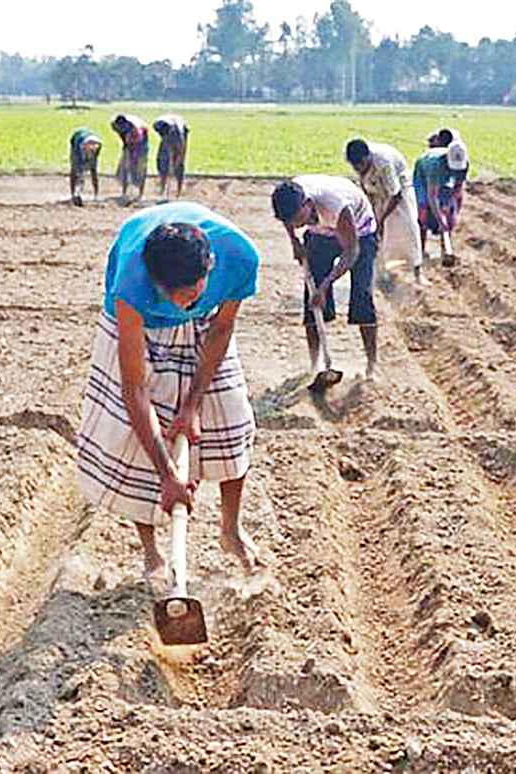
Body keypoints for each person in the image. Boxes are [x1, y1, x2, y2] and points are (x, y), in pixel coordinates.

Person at [76, 202, 262, 585]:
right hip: (142, 326)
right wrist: (168, 476)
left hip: (207, 325)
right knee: (133, 440)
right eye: (175, 296)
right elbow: (134, 387)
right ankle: (151, 552)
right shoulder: (132, 280)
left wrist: (192, 405)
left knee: (231, 417)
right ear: (155, 282)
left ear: (208, 270)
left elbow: (222, 330)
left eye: (191, 293)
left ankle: (231, 530)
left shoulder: (239, 258)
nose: (182, 303)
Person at [271, 176, 380, 382]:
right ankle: (316, 364)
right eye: (291, 221)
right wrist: (294, 241)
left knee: (362, 296)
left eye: (297, 219)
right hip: (321, 233)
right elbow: (287, 219)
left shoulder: (336, 205)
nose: (295, 224)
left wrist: (326, 285)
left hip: (360, 234)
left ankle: (371, 365)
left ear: (308, 205)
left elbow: (351, 251)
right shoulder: (289, 199)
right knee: (312, 301)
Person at [345, 138, 424, 286]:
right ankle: (382, 273)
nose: (358, 168)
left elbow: (395, 194)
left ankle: (416, 271)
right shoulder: (358, 162)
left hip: (400, 191)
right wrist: (373, 214)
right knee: (375, 234)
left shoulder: (383, 163)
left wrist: (381, 219)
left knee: (407, 229)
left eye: (361, 165)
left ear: (367, 158)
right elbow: (364, 185)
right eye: (355, 167)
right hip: (376, 191)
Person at [413, 139, 469, 267]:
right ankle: (420, 251)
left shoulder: (463, 165)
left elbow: (458, 189)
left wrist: (449, 209)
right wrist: (440, 219)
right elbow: (431, 196)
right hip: (422, 174)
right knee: (423, 211)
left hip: (443, 174)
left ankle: (446, 252)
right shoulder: (435, 164)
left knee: (450, 217)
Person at [112, 113, 150, 205]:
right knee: (125, 167)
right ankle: (124, 192)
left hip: (142, 145)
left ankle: (139, 193)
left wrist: (134, 156)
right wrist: (126, 146)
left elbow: (138, 142)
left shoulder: (136, 129)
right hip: (128, 144)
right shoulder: (114, 125)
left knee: (140, 169)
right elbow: (123, 137)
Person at [153, 115, 190, 199]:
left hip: (180, 135)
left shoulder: (178, 131)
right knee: (162, 160)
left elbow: (181, 147)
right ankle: (162, 186)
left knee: (179, 164)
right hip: (169, 133)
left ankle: (179, 190)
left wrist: (178, 159)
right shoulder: (158, 125)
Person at [69, 128, 102, 206]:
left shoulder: (98, 145)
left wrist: (91, 162)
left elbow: (94, 163)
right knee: (76, 170)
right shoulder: (79, 146)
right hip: (76, 141)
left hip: (86, 140)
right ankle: (74, 193)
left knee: (94, 170)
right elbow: (79, 166)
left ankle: (96, 194)